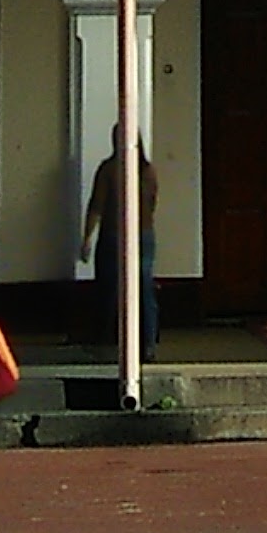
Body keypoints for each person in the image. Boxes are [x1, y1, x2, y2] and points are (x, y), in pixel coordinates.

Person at [81, 132, 159, 364]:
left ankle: (105, 338)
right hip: (144, 234)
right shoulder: (147, 171)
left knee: (108, 287)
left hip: (114, 234)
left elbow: (96, 206)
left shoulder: (109, 169)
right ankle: (149, 343)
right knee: (144, 288)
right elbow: (153, 202)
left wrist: (87, 238)